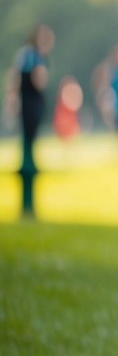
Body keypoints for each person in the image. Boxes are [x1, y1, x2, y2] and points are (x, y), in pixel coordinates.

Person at [7, 24, 54, 217]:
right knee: (28, 158)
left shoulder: (25, 55)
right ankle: (28, 206)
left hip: (28, 109)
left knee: (27, 152)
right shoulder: (34, 57)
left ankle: (28, 205)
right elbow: (38, 80)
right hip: (30, 110)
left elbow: (13, 79)